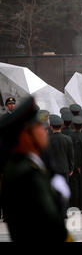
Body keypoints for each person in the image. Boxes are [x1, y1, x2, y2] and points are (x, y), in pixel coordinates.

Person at [0, 97, 72, 241]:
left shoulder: (27, 165)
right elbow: (50, 223)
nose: (44, 131)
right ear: (26, 136)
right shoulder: (27, 174)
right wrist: (58, 199)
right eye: (38, 127)